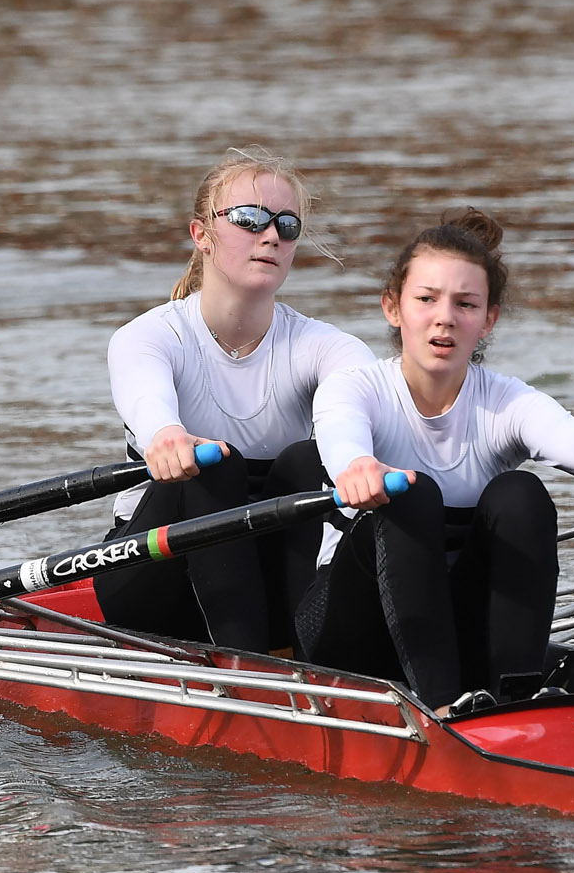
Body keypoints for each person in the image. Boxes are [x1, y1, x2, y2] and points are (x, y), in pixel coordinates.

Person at [285, 208, 574, 712]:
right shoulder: (356, 387)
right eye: (426, 300)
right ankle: (446, 709)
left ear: (487, 319)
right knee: (411, 492)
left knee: (521, 494)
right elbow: (340, 434)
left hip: (453, 628)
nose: (444, 317)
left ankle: (515, 695)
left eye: (465, 304)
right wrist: (357, 466)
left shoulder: (505, 402)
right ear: (393, 307)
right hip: (350, 634)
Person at [95, 148, 373, 651]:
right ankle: (250, 668)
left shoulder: (328, 348)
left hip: (269, 586)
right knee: (212, 463)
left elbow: (361, 403)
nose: (271, 236)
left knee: (308, 459)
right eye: (250, 219)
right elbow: (147, 398)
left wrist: (359, 455)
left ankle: (295, 651)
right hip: (153, 583)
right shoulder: (149, 338)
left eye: (286, 225)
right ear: (201, 234)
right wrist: (164, 435)